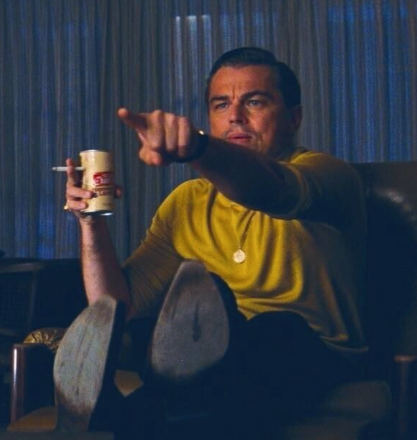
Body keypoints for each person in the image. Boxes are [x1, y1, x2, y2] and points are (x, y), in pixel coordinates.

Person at [64, 47, 367, 438]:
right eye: (221, 104)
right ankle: (151, 404)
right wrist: (90, 223)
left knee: (274, 330)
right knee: (156, 335)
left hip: (314, 351)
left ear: (294, 118)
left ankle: (125, 411)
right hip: (215, 356)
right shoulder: (187, 202)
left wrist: (198, 148)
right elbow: (114, 308)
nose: (235, 116)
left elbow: (271, 189)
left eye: (255, 102)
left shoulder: (329, 175)